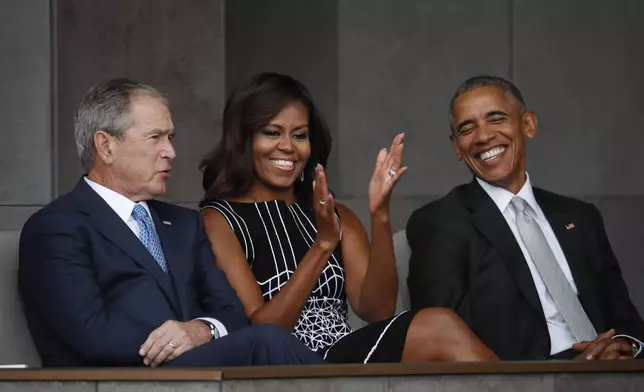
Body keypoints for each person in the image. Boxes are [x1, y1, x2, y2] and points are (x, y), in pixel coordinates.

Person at [18, 78, 324, 367]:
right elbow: (91, 334)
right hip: (120, 380)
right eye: (155, 138)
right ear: (106, 146)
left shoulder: (184, 224)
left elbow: (233, 314)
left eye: (170, 137)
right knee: (266, 341)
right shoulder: (56, 228)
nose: (171, 152)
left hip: (200, 377)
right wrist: (175, 341)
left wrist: (201, 331)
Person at [199, 72, 497, 363]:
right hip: (286, 363)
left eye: (300, 135)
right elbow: (263, 332)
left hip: (344, 355)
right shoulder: (219, 220)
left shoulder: (335, 213)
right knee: (439, 326)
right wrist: (323, 245)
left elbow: (377, 311)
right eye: (272, 133)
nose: (288, 146)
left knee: (439, 326)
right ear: (244, 139)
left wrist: (379, 213)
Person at [406, 75, 644, 360]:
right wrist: (561, 376)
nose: (483, 136)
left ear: (528, 124)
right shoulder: (439, 223)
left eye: (496, 119)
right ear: (456, 146)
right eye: (467, 128)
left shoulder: (581, 218)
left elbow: (627, 322)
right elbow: (445, 345)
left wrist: (625, 348)